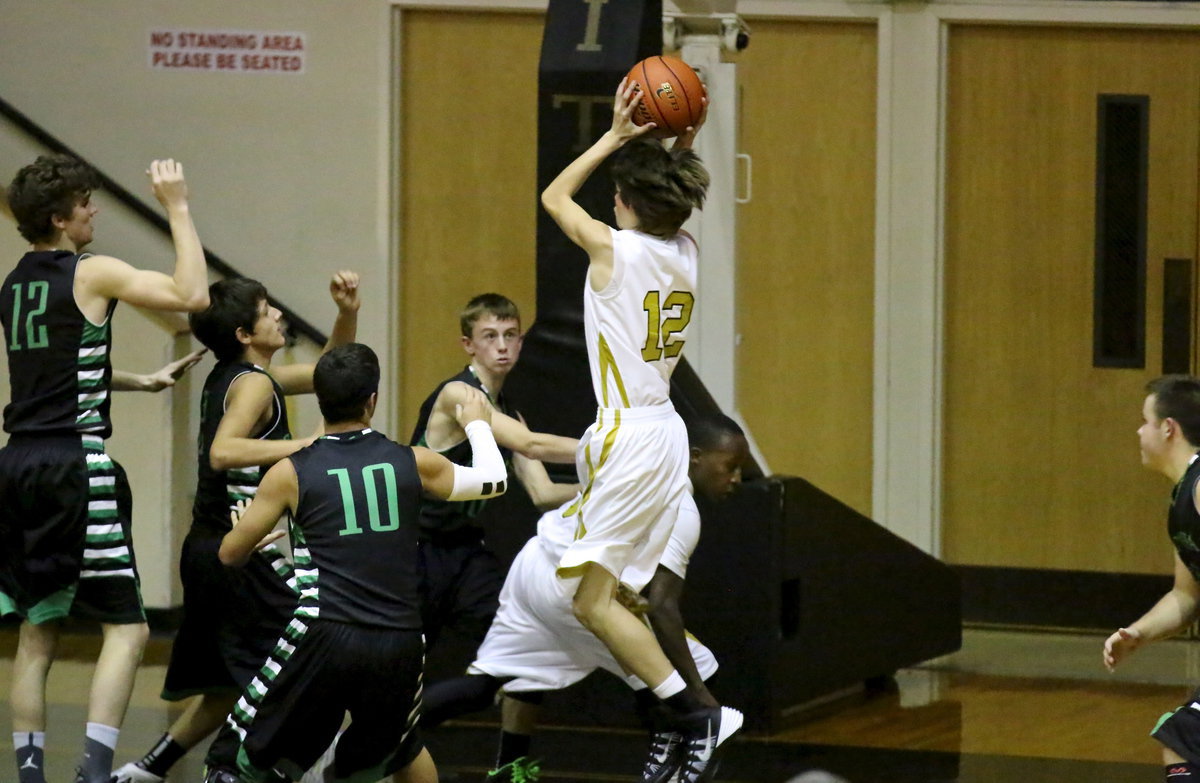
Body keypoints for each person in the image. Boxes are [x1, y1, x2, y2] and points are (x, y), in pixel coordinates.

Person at [538, 75, 739, 782]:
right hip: (664, 431)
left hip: (629, 437)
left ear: (625, 202)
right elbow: (667, 198)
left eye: (618, 194)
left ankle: (696, 712)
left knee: (589, 600)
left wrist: (615, 136)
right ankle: (687, 712)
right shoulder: (684, 251)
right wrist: (680, 144)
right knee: (623, 596)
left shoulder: (613, 251)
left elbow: (554, 196)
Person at [1, 154, 210, 783]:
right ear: (60, 219)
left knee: (38, 633)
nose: (94, 211)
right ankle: (94, 774)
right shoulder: (91, 271)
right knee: (128, 629)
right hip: (74, 463)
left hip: (17, 463)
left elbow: (53, 370)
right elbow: (193, 297)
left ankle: (30, 777)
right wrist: (176, 206)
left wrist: (138, 380)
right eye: (84, 203)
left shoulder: (14, 283)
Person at [215, 342, 508, 783]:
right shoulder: (414, 461)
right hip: (400, 640)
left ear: (319, 399)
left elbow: (229, 554)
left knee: (237, 759)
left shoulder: (290, 472)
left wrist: (248, 533)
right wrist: (479, 425)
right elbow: (494, 480)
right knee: (396, 752)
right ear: (372, 400)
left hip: (325, 635)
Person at [111, 272, 361, 783]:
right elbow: (223, 452)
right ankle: (231, 768)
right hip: (237, 553)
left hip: (211, 549)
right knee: (305, 661)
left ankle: (148, 770)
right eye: (267, 311)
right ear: (245, 334)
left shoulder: (243, 375)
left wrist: (346, 313)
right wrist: (309, 448)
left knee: (232, 685)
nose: (279, 315)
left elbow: (332, 375)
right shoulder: (253, 384)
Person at [413, 414, 749, 783]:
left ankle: (390, 739)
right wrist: (702, 699)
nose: (736, 478)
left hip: (534, 568)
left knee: (488, 682)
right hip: (572, 589)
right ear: (695, 456)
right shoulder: (679, 505)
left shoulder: (630, 462)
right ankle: (690, 736)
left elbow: (550, 491)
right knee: (692, 666)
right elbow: (663, 606)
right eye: (730, 466)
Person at [409, 293, 578, 665]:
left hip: (466, 548)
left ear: (521, 342)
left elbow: (544, 492)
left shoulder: (508, 414)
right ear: (468, 345)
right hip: (419, 547)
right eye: (490, 336)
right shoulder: (458, 394)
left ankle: (504, 696)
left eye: (510, 335)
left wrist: (602, 489)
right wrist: (612, 449)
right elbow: (531, 444)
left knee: (509, 648)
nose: (502, 346)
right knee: (405, 661)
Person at [1104, 375, 1200, 782]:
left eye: (1145, 421)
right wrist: (1138, 633)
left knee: (1182, 737)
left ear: (1168, 428)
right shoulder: (1183, 497)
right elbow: (1186, 596)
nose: (1139, 432)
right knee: (1181, 741)